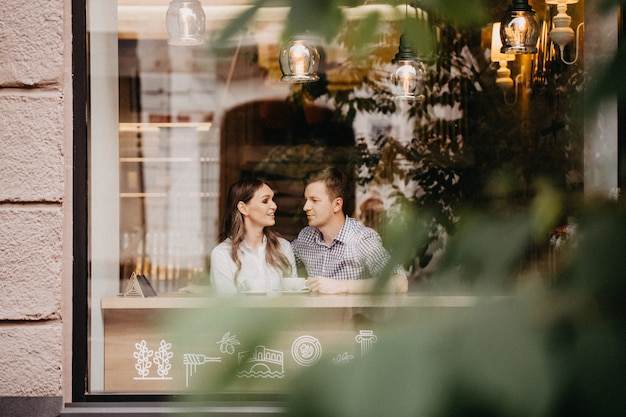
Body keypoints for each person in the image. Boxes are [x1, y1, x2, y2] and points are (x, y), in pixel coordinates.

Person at [291, 167, 408, 294]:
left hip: (352, 314)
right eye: (306, 200)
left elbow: (400, 283)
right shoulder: (306, 237)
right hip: (317, 314)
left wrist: (340, 286)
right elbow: (279, 258)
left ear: (337, 205)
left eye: (314, 200)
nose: (305, 207)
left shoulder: (361, 239)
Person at [210, 178, 297, 294]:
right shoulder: (221, 254)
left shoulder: (283, 247)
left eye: (273, 199)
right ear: (243, 208)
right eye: (265, 201)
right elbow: (228, 306)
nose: (274, 206)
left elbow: (294, 298)